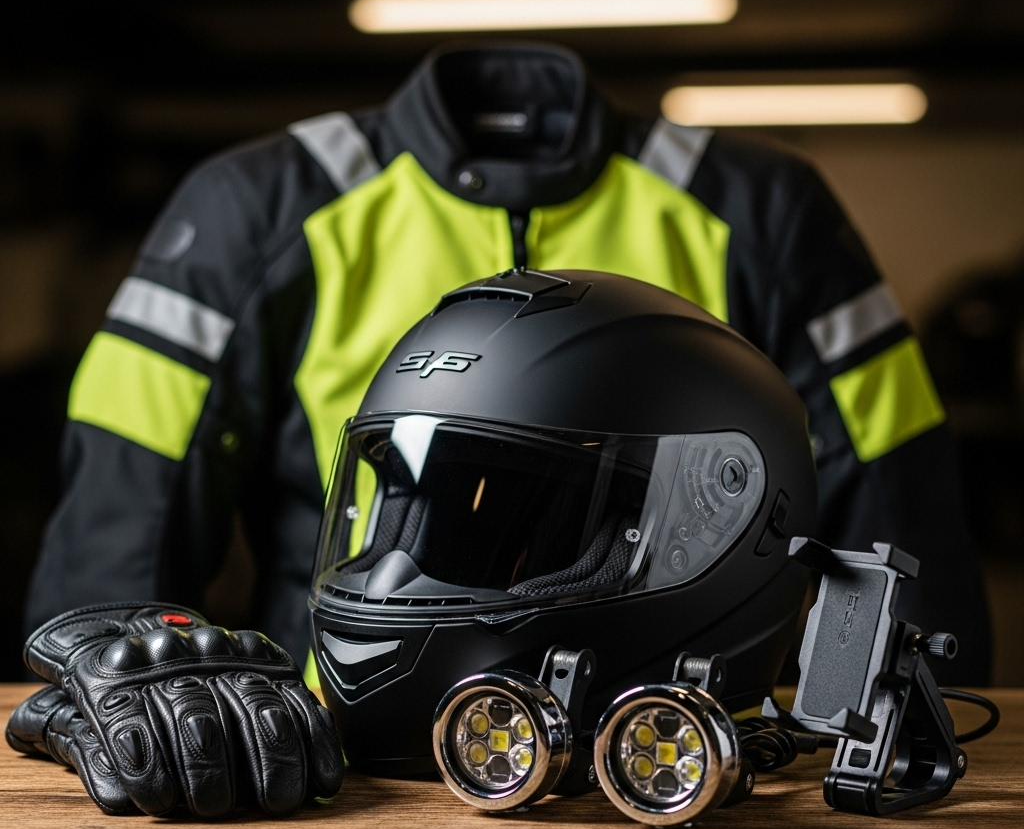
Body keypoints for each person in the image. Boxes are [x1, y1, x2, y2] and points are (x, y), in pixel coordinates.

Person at [25, 42, 991, 685]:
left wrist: (889, 740)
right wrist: (118, 703)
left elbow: (897, 513)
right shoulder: (257, 213)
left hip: (678, 762)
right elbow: (122, 529)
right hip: (343, 773)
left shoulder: (763, 212)